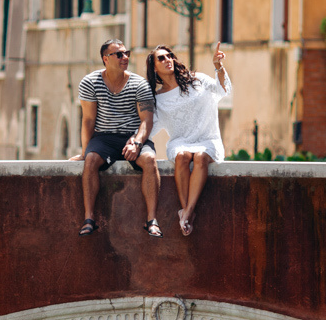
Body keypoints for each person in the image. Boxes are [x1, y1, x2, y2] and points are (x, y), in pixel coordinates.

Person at [74, 39, 162, 237]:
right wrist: (84, 152)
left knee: (149, 159)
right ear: (105, 59)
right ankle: (89, 219)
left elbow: (147, 121)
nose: (125, 57)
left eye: (126, 53)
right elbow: (88, 120)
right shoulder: (90, 82)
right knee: (91, 160)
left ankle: (152, 220)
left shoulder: (139, 84)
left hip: (133, 137)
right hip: (104, 138)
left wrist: (137, 143)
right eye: (119, 54)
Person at [146, 42, 231, 236]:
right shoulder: (158, 99)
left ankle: (187, 213)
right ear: (154, 68)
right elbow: (149, 128)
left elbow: (222, 90)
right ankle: (186, 212)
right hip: (181, 142)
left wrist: (218, 66)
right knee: (182, 156)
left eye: (169, 56)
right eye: (161, 58)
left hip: (207, 139)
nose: (167, 60)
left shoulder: (197, 80)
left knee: (200, 157)